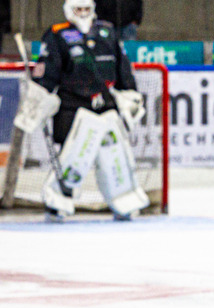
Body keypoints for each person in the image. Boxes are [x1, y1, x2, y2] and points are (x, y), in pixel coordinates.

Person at [13, 0, 148, 221]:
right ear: (69, 11)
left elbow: (122, 67)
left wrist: (130, 93)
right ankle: (58, 199)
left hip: (106, 106)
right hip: (74, 108)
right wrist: (37, 99)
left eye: (87, 9)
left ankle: (124, 199)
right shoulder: (57, 35)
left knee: (114, 156)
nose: (83, 14)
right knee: (76, 159)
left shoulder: (107, 31)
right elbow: (49, 72)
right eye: (79, 10)